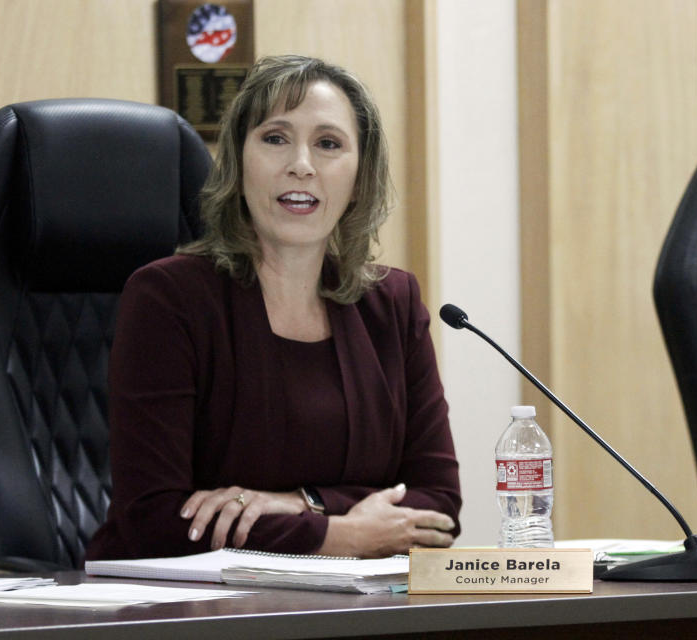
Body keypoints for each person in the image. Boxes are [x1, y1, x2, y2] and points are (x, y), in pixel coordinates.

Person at [85, 55, 461, 560]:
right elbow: (152, 520)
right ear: (240, 162)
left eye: (328, 144)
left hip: (351, 610)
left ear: (359, 174)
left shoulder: (391, 303)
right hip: (187, 614)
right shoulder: (169, 299)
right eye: (276, 138)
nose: (301, 164)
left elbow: (438, 508)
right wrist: (338, 535)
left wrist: (299, 504)